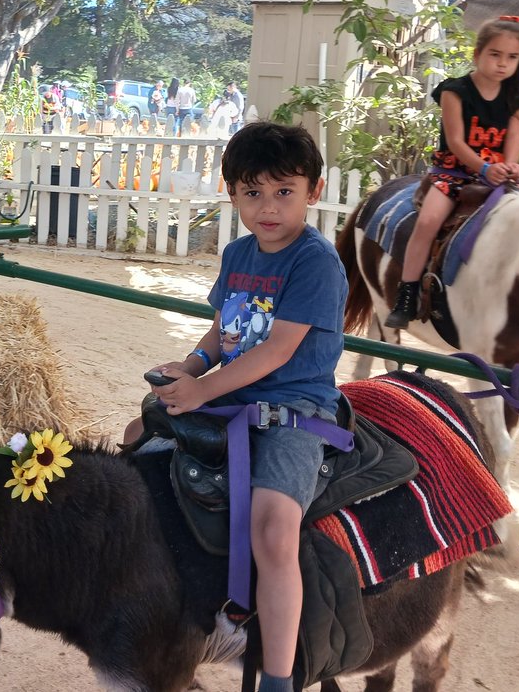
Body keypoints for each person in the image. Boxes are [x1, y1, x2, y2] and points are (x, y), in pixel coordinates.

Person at [124, 122, 346, 692]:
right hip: (232, 392)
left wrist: (203, 391)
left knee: (273, 528)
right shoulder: (239, 253)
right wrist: (190, 367)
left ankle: (278, 676)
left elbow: (277, 350)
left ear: (313, 192)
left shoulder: (315, 262)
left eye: (284, 192)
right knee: (134, 438)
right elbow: (225, 332)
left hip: (294, 407)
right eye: (253, 192)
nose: (268, 207)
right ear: (232, 194)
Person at [385, 16, 519, 328]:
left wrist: (512, 165)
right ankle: (407, 293)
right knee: (428, 221)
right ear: (477, 54)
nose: (502, 63)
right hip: (455, 172)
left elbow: (514, 139)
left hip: (497, 175)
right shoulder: (455, 91)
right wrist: (484, 168)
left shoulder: (515, 96)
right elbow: (455, 141)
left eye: (511, 57)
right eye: (495, 54)